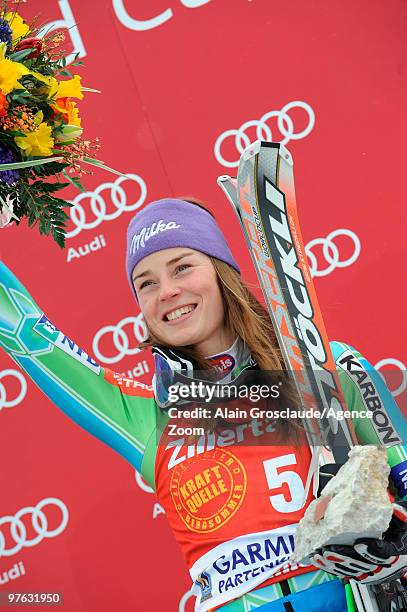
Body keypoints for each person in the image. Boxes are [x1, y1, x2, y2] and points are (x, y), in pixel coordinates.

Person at [0, 197, 406, 612]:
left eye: (182, 267)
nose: (168, 291)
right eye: (146, 283)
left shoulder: (329, 367)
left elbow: (404, 471)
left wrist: (392, 534)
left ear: (221, 270)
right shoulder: (149, 418)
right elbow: (25, 333)